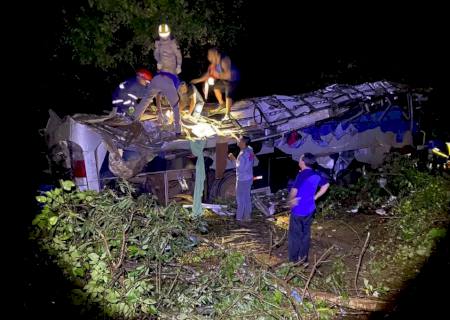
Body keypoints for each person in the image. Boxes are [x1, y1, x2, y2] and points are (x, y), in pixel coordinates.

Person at [288, 153, 330, 264]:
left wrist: (290, 201)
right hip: (310, 208)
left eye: (300, 157)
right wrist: (315, 197)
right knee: (305, 234)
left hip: (299, 209)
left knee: (295, 235)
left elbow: (294, 191)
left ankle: (293, 261)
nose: (299, 159)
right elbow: (326, 185)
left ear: (303, 161)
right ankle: (303, 259)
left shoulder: (301, 175)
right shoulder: (316, 175)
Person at [191, 48, 239, 120]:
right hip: (224, 80)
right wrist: (197, 80)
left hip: (233, 79)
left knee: (228, 94)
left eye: (210, 56)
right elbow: (208, 75)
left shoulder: (224, 60)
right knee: (216, 88)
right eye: (209, 56)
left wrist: (217, 75)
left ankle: (227, 115)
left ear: (216, 53)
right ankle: (222, 104)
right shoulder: (213, 64)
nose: (209, 58)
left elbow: (228, 75)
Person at [133, 72, 183, 137]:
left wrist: (160, 112)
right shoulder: (177, 83)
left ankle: (134, 118)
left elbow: (158, 97)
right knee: (175, 106)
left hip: (156, 79)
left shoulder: (170, 74)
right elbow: (175, 103)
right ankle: (178, 131)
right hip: (167, 81)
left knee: (146, 99)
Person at [228, 136, 256, 222]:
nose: (237, 140)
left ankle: (239, 218)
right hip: (248, 178)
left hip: (242, 180)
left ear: (243, 143)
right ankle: (247, 217)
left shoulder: (243, 154)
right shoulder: (250, 150)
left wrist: (233, 159)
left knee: (240, 199)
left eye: (239, 139)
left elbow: (240, 168)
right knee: (247, 198)